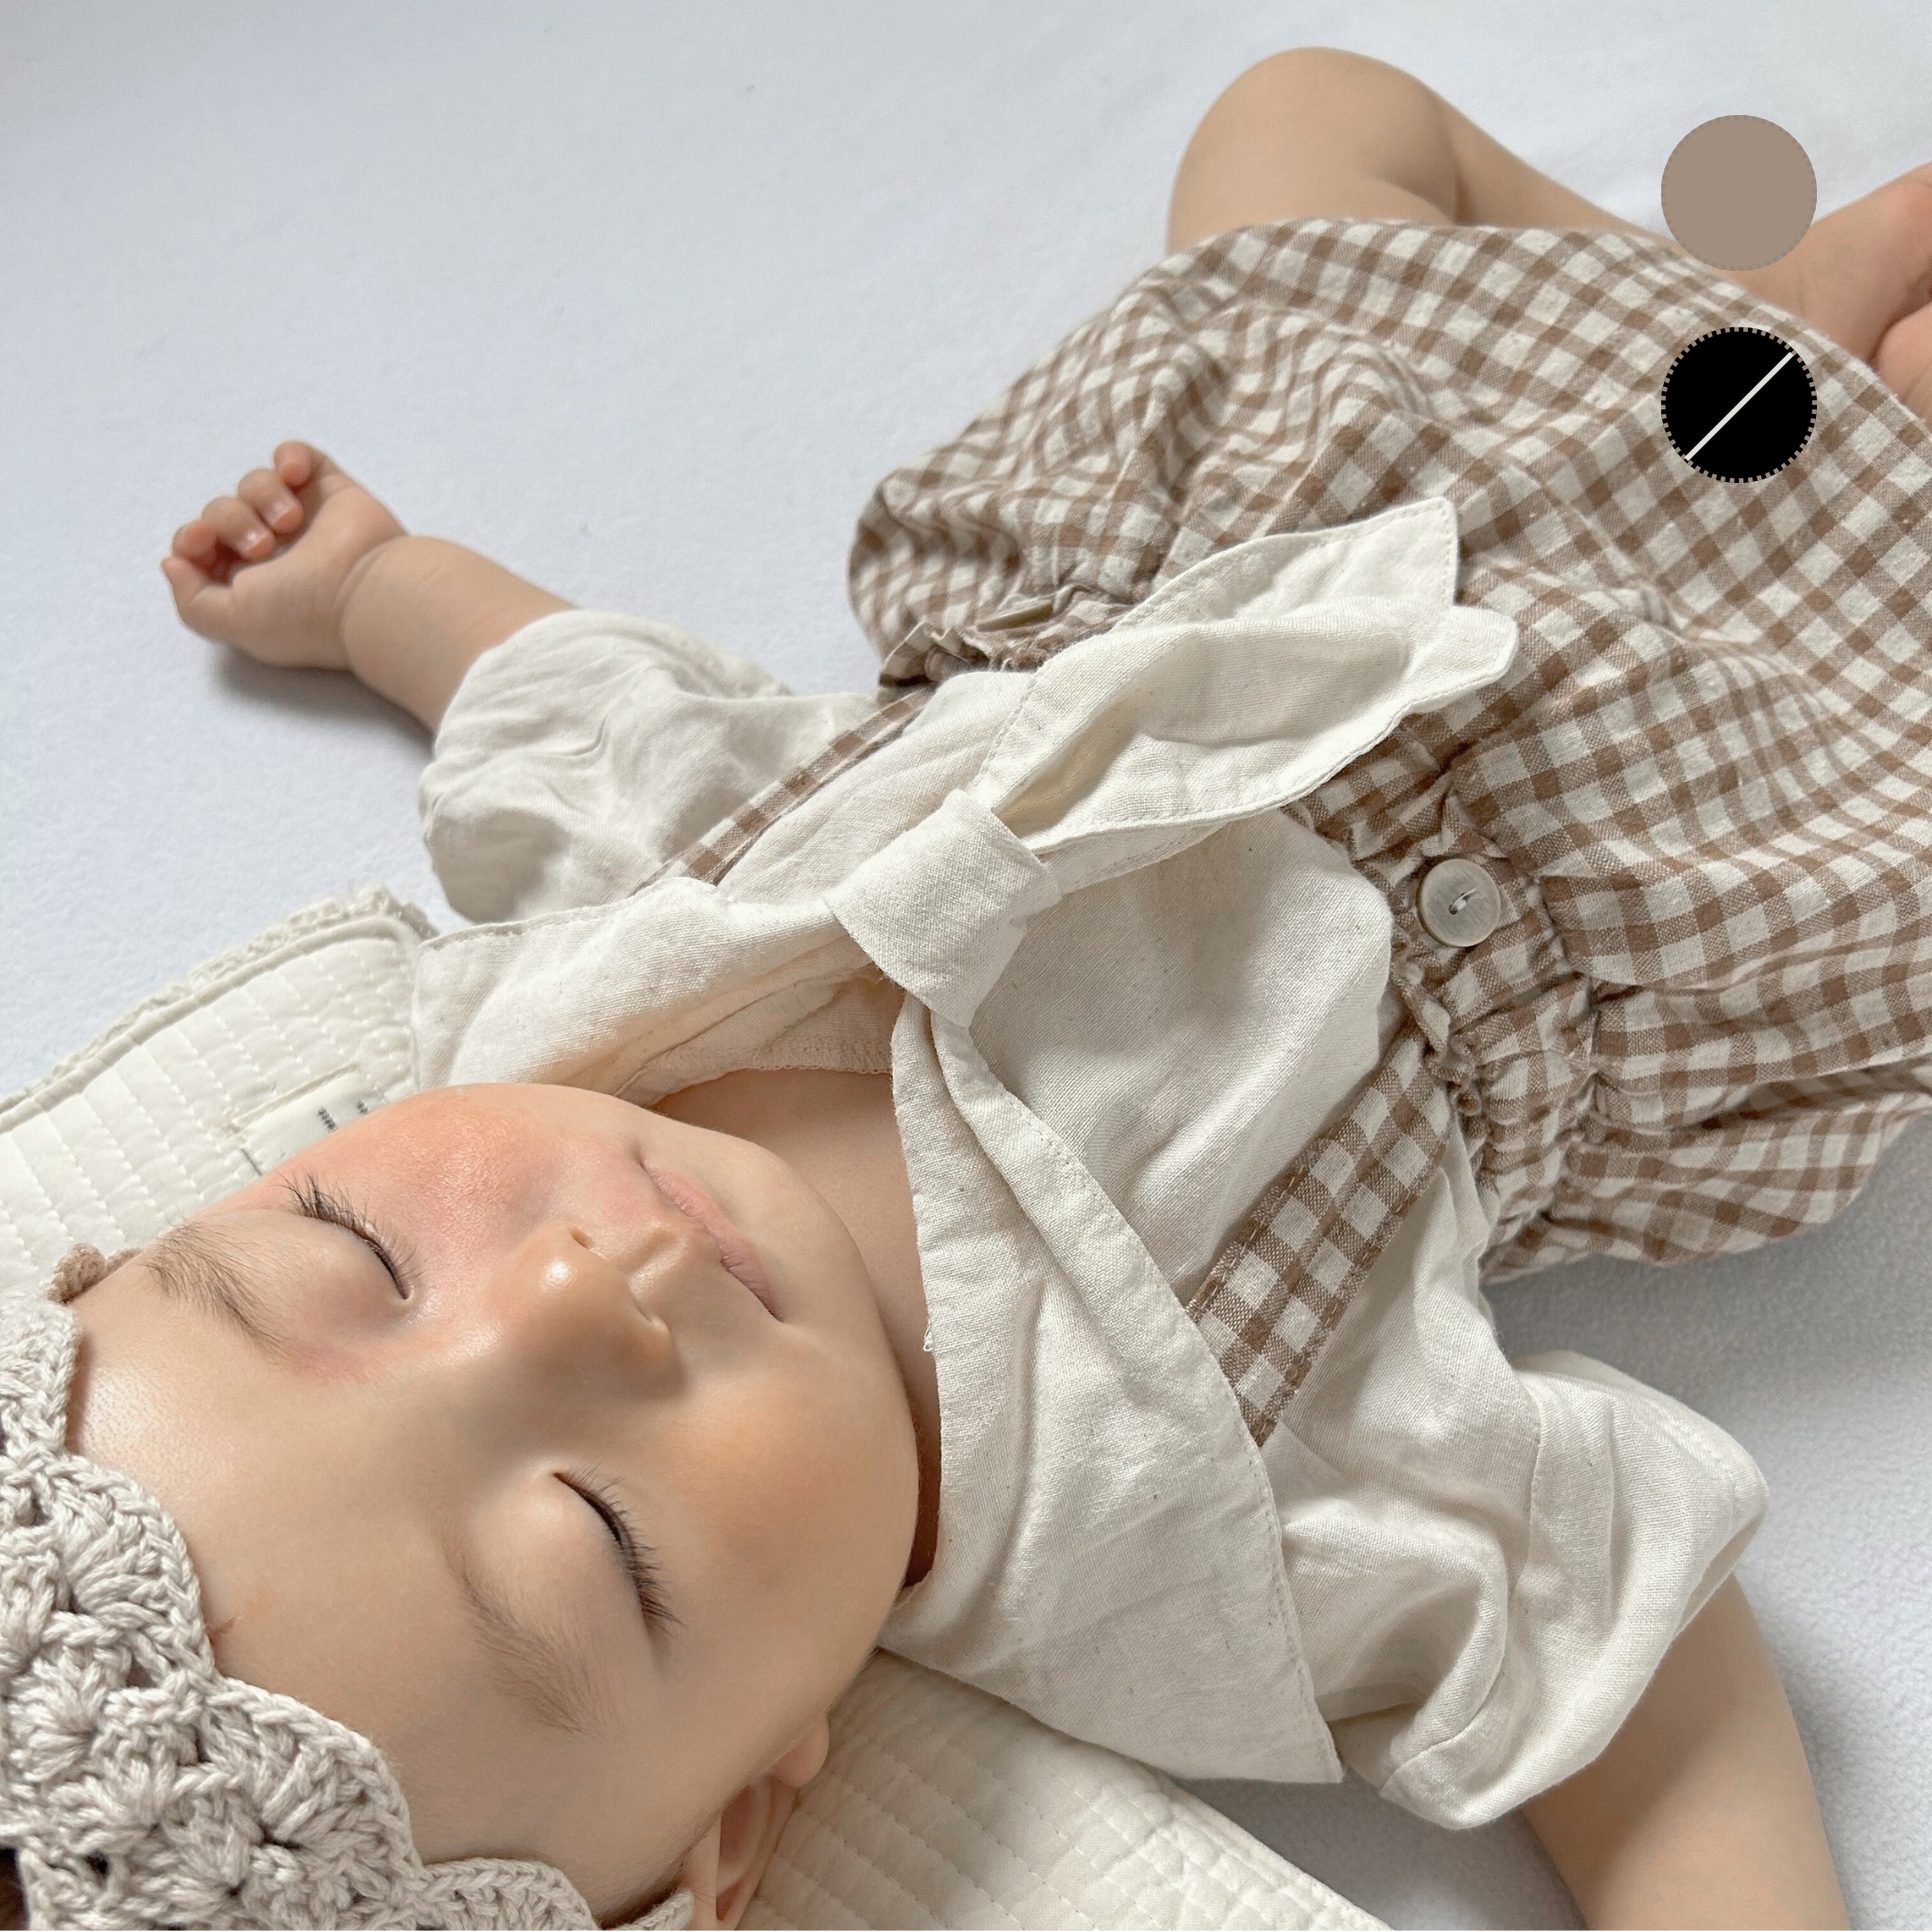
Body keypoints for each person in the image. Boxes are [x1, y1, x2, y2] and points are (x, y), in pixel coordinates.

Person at [17, 43, 1930, 1929]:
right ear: (740, 1827)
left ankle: (1714, 326)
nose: (572, 1294)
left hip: (1282, 512)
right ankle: (1806, 403)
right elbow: (1626, 1658)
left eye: (352, 1247)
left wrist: (376, 589)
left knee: (1307, 112)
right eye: (603, 1540)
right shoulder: (1175, 1526)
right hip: (1666, 805)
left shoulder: (570, 999)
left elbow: (582, 716)